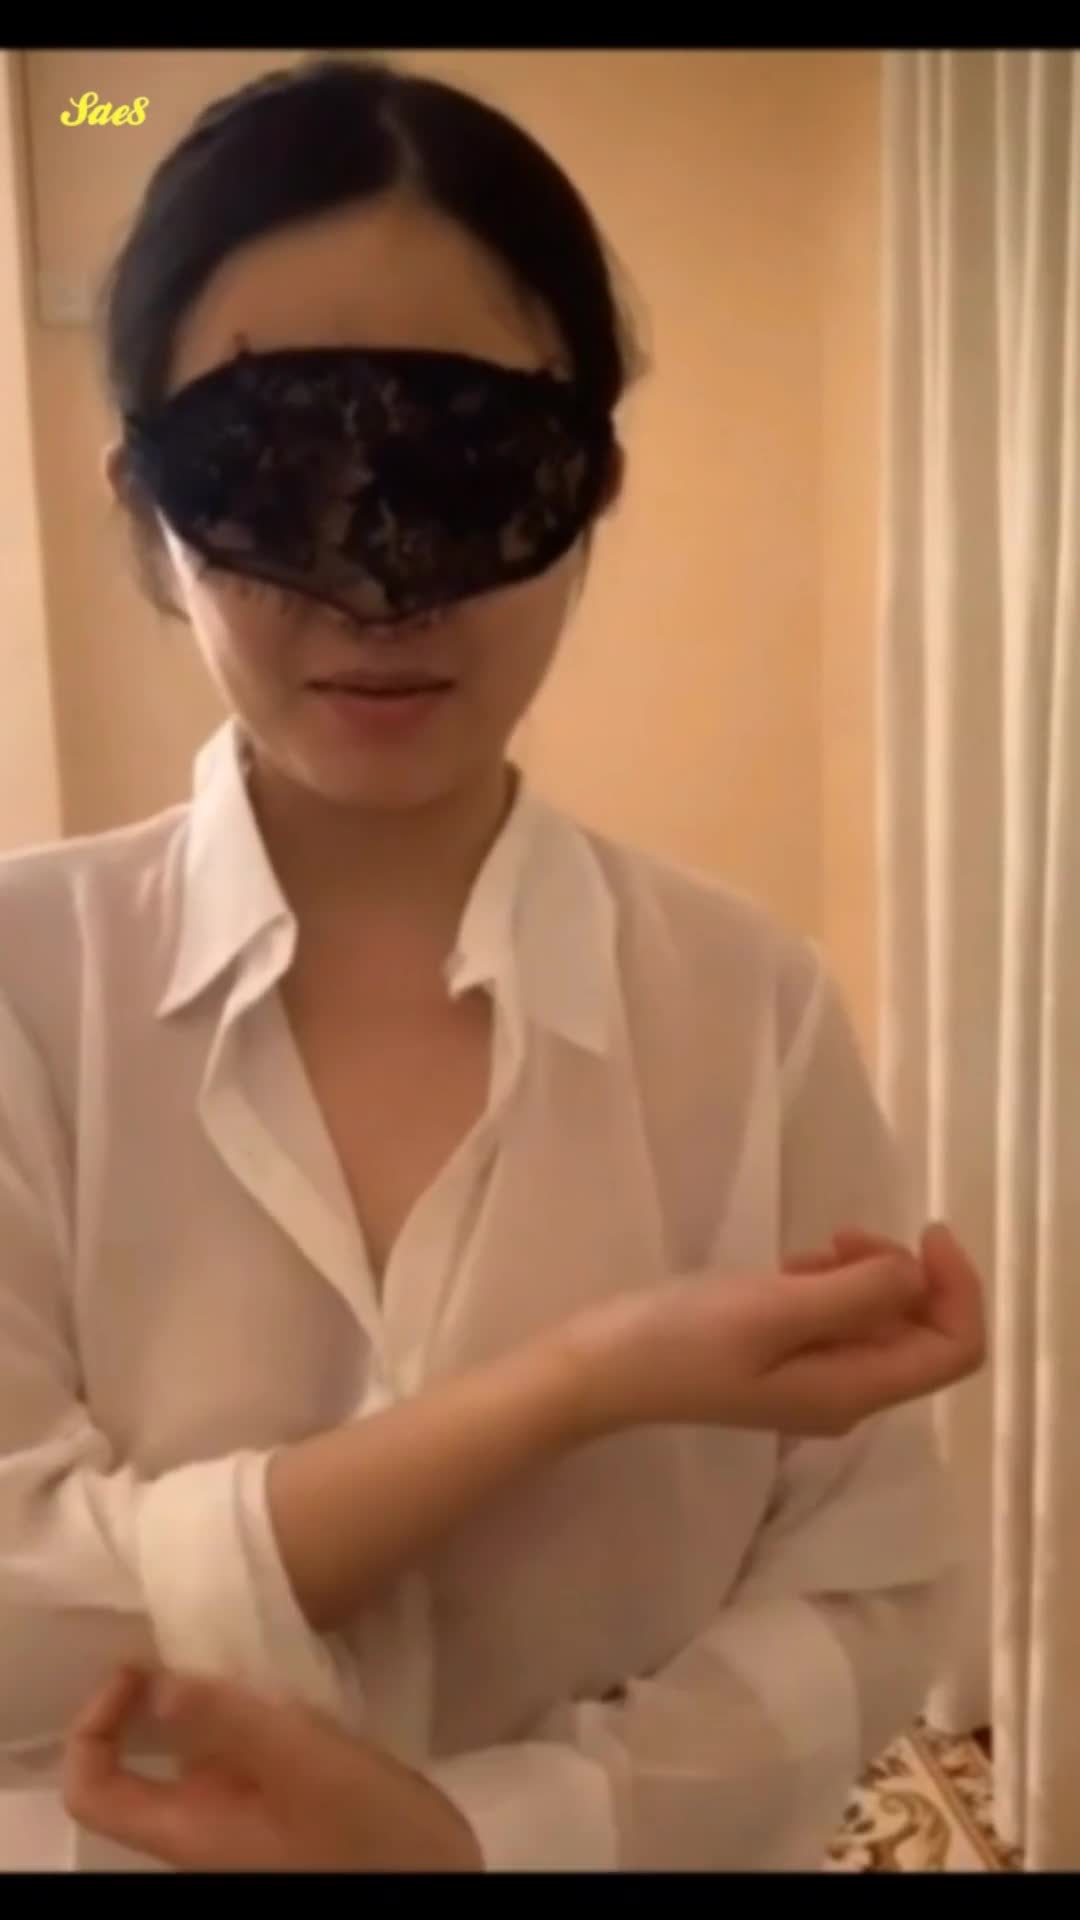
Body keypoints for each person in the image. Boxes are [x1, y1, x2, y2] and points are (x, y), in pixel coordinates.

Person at [0, 58, 983, 1874]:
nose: (380, 593)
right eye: (272, 471)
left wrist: (476, 1842)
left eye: (467, 468)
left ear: (590, 484)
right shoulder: (19, 991)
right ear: (147, 505)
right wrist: (577, 1382)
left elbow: (868, 1588)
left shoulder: (751, 1011)